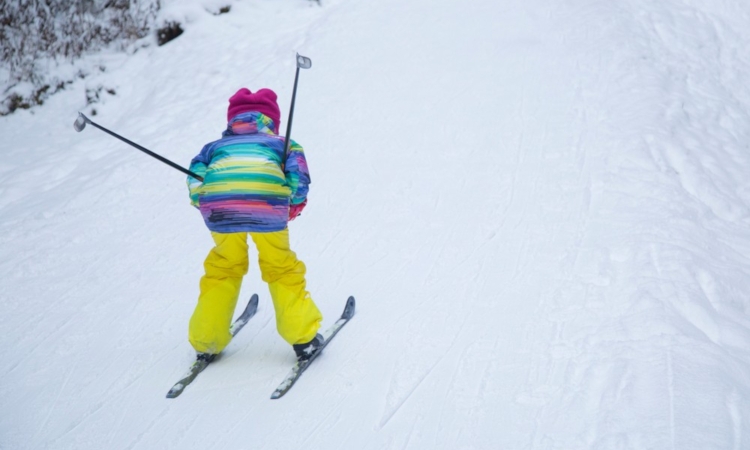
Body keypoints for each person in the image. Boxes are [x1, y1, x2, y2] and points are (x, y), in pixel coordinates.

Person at [185, 87, 323, 362]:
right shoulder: (284, 144)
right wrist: (292, 206)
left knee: (224, 266)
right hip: (268, 207)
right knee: (280, 266)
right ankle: (302, 337)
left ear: (231, 121)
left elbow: (194, 177)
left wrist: (204, 201)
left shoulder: (214, 147)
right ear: (273, 121)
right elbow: (299, 178)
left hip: (220, 209)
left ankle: (206, 339)